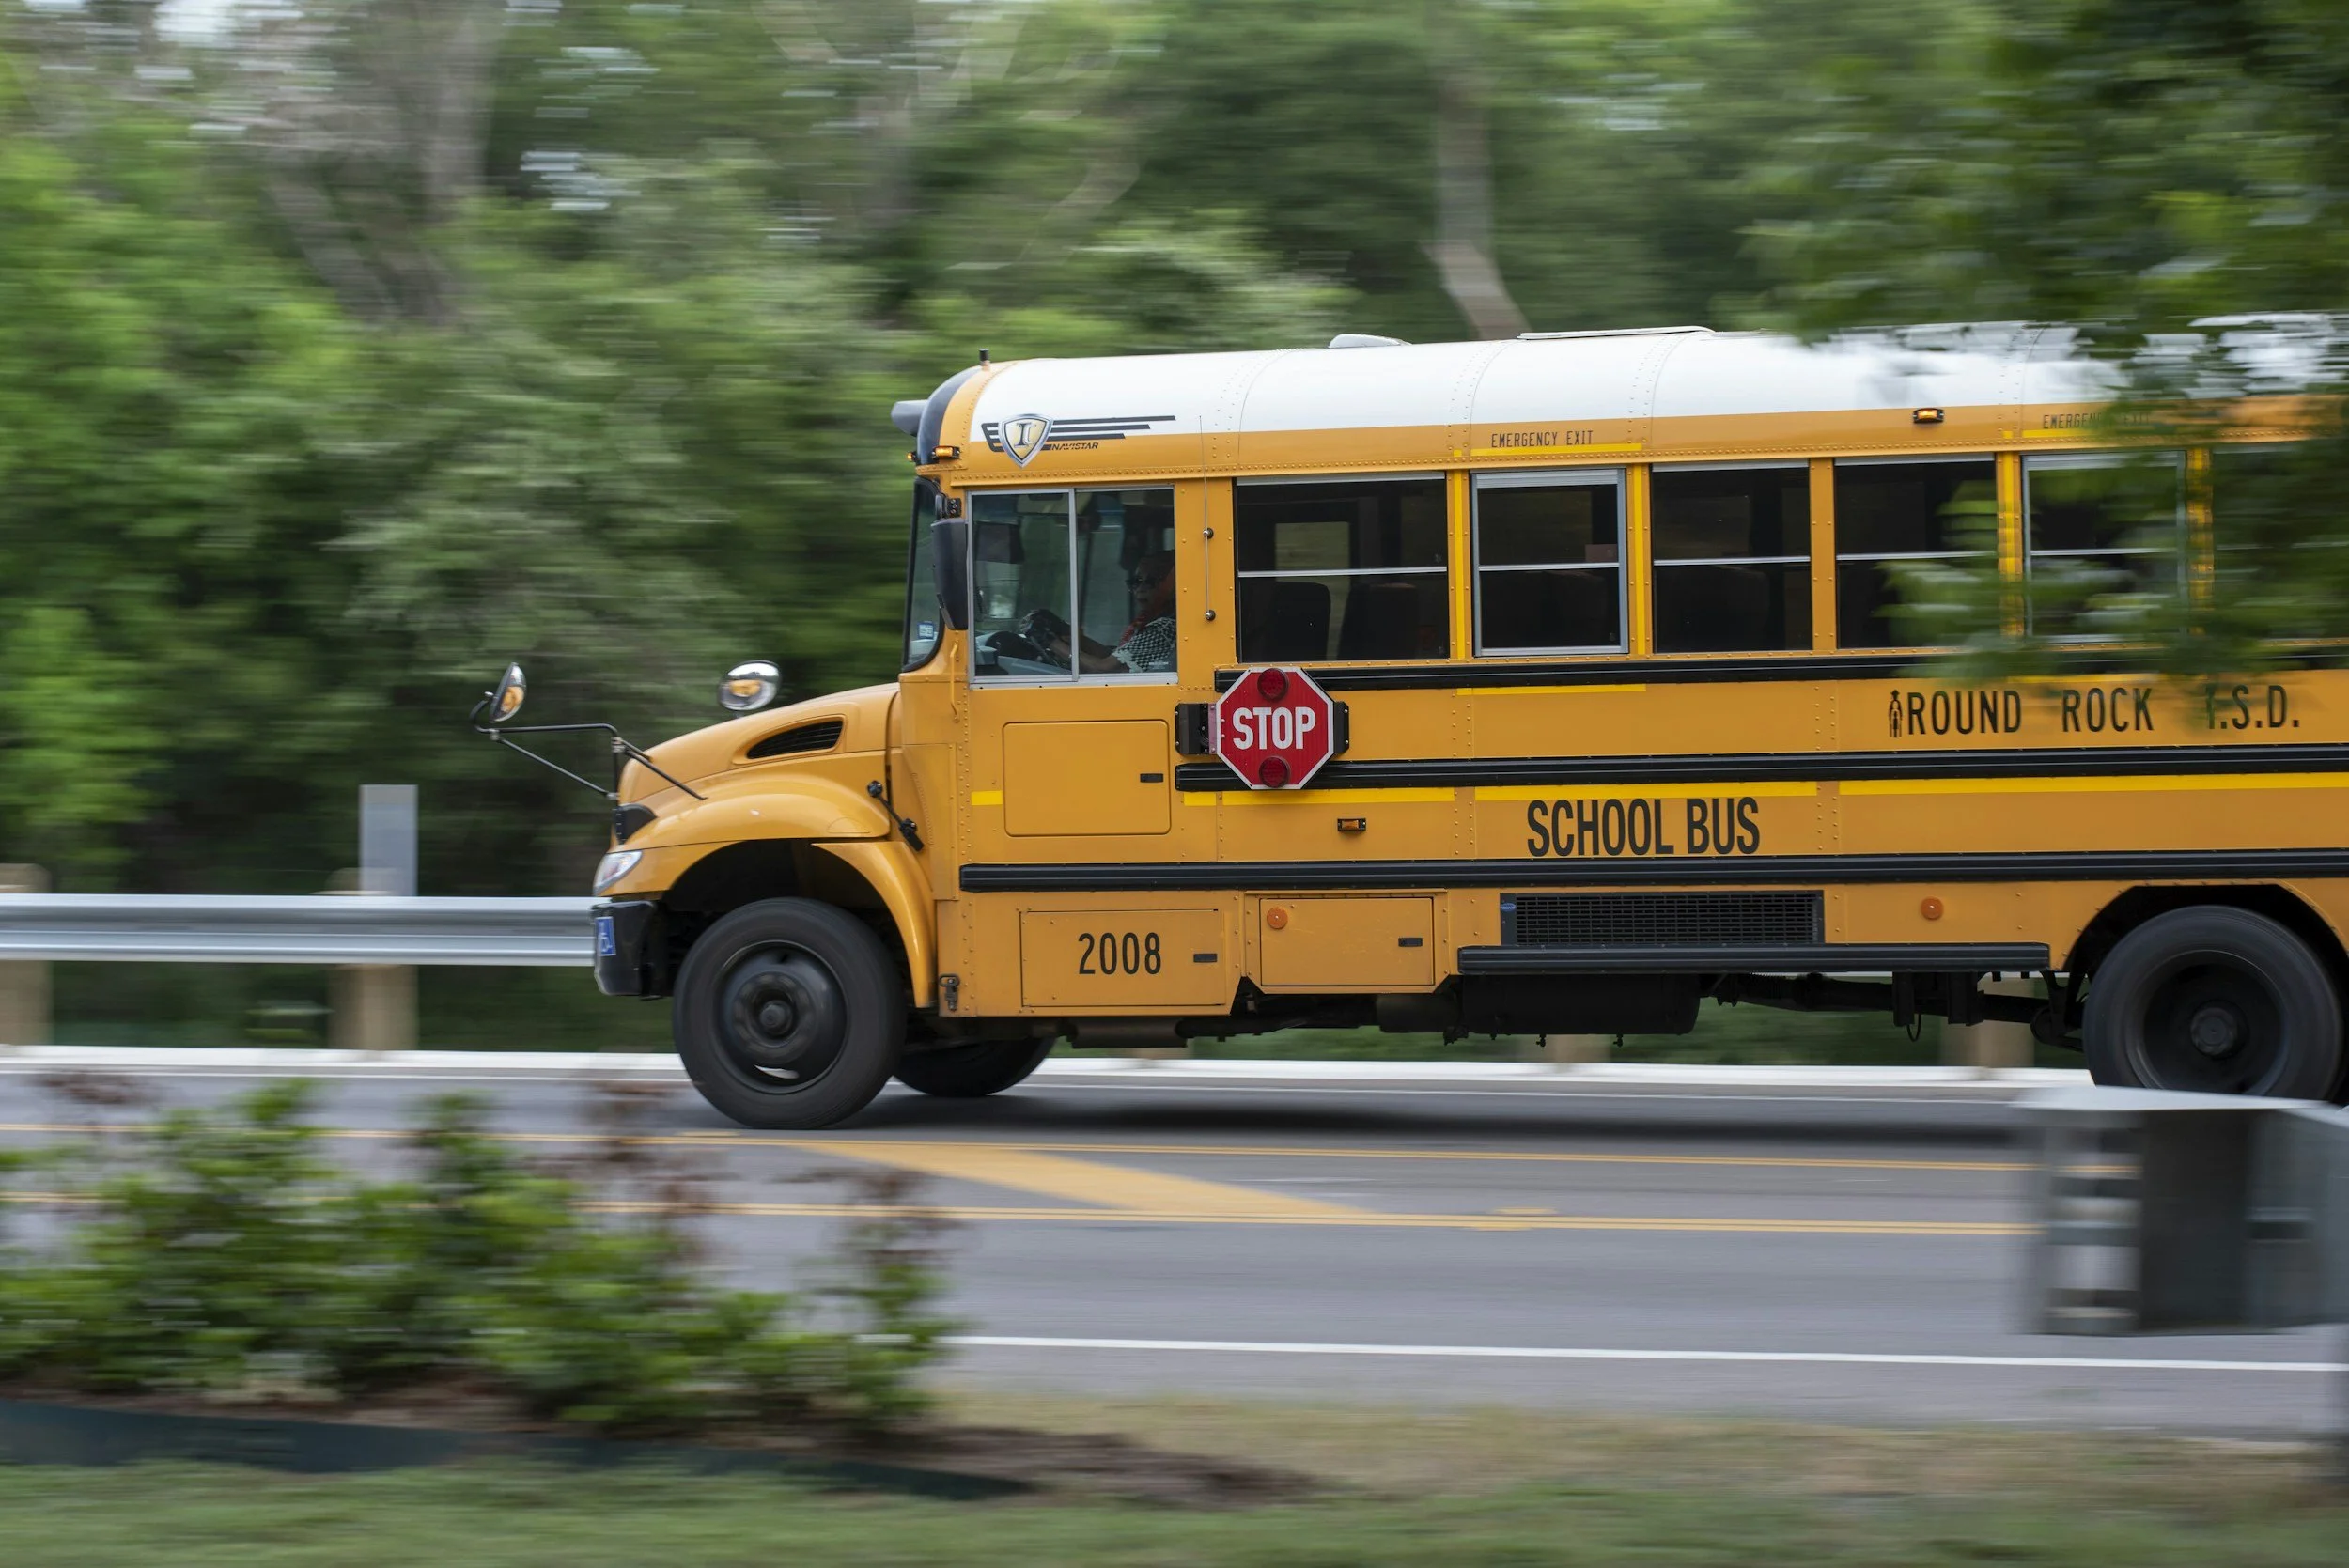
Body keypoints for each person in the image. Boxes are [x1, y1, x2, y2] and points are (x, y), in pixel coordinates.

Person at [1034, 550, 1176, 673]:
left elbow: (1103, 668)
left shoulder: (1163, 628)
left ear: (1172, 584)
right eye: (1135, 581)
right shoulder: (1146, 621)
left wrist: (1049, 641)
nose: (1141, 588)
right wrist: (1068, 632)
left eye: (1151, 581)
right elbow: (1115, 657)